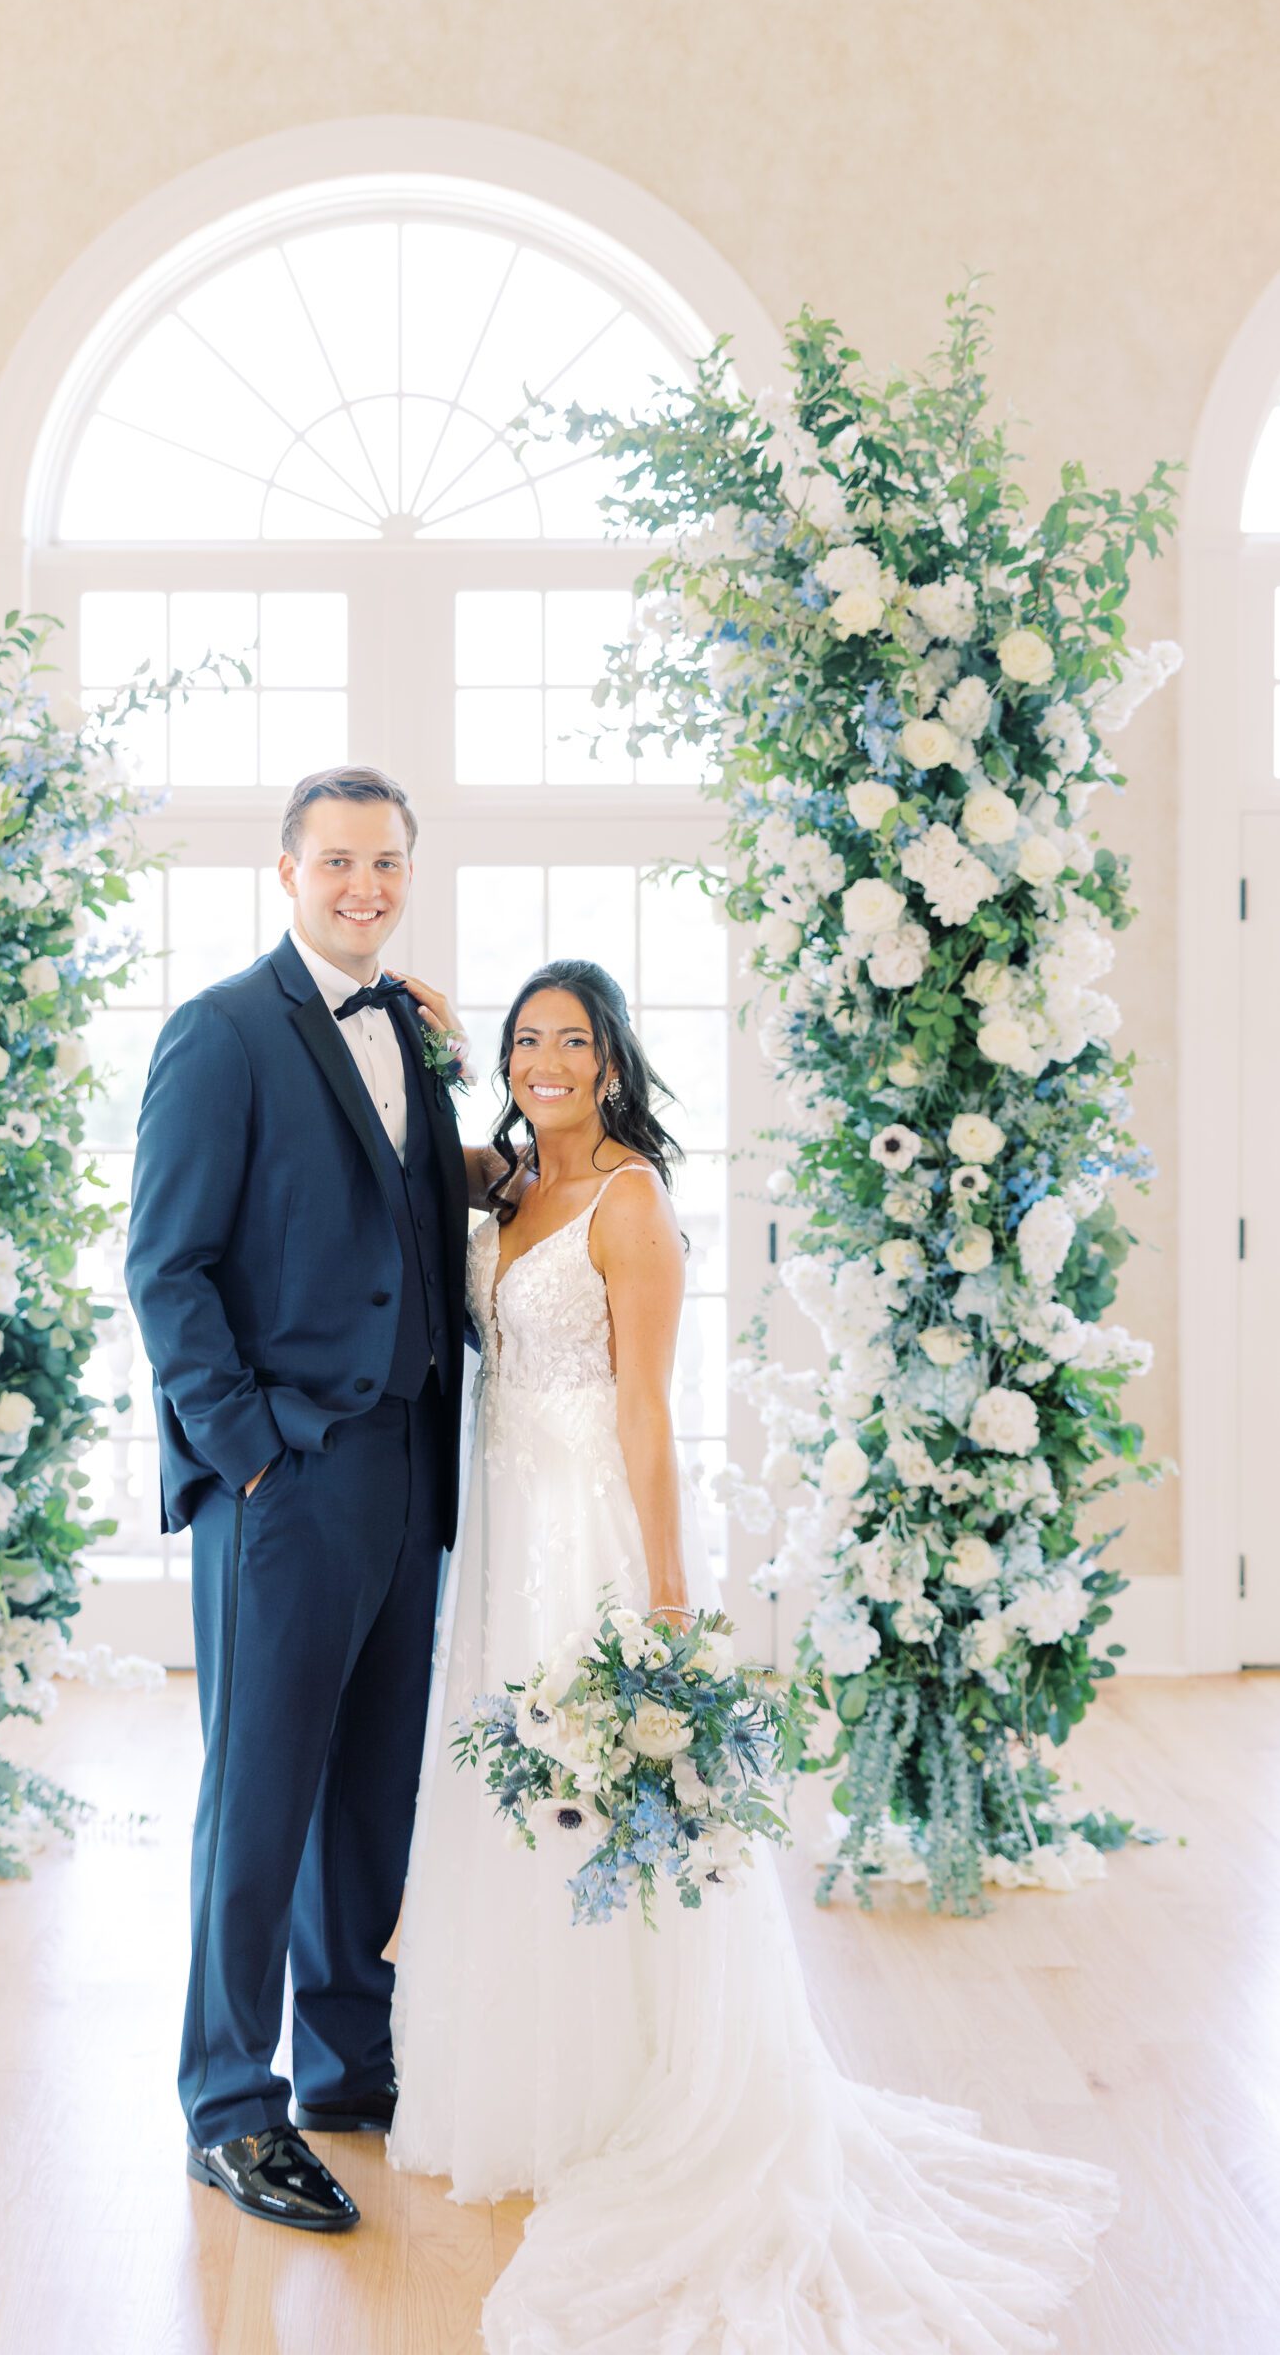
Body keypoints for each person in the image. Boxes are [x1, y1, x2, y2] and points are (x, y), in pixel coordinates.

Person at [387, 957, 1118, 2353]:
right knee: (511, 1796)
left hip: (591, 1535)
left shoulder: (631, 1200)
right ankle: (530, 2083)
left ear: (612, 1062)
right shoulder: (506, 1181)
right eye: (527, 1040)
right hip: (502, 1534)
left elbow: (650, 1418)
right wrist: (419, 1032)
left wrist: (666, 1602)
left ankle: (629, 2090)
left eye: (572, 1043)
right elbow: (411, 1138)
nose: (546, 1061)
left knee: (604, 1791)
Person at [125, 764, 470, 2234]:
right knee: (258, 1798)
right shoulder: (220, 1031)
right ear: (286, 872)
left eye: (386, 863)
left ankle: (347, 2062)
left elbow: (408, 1218)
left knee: (371, 1790)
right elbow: (167, 1268)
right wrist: (250, 1446)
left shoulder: (411, 1026)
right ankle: (229, 2103)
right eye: (337, 862)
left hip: (408, 1460)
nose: (365, 888)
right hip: (285, 1475)